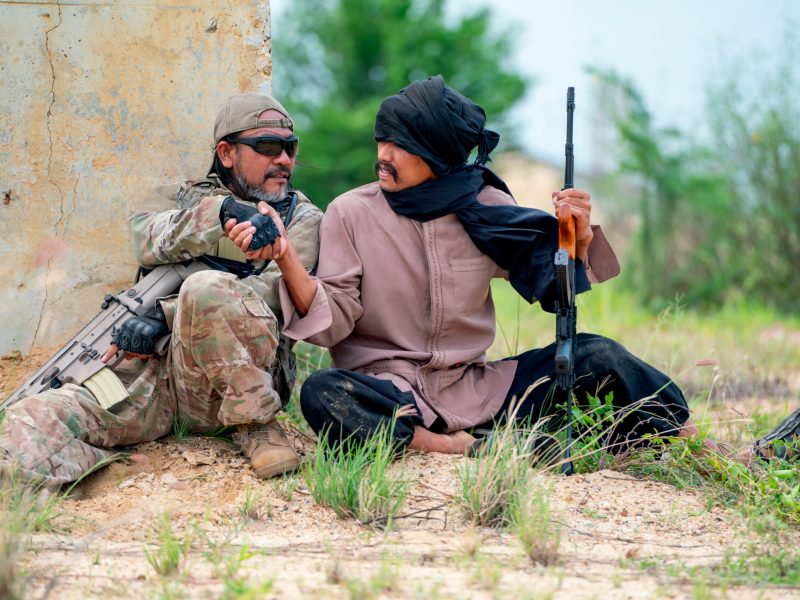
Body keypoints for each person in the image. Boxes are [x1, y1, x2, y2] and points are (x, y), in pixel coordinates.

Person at [228, 76, 799, 464]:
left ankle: (707, 450)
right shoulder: (353, 212)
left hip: (477, 387)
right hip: (391, 389)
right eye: (380, 139)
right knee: (325, 393)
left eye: (397, 144)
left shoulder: (484, 208)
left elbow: (561, 287)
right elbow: (335, 322)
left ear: (435, 152)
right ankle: (461, 450)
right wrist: (285, 258)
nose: (383, 154)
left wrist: (575, 232)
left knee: (599, 355)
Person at [1, 93, 323, 488]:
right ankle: (81, 474)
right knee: (31, 419)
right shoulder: (180, 199)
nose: (284, 160)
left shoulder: (303, 220)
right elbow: (147, 236)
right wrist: (220, 214)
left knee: (208, 287)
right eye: (268, 147)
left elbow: (277, 293)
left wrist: (164, 314)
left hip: (224, 389)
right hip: (147, 382)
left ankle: (256, 425)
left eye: (290, 148)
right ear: (226, 153)